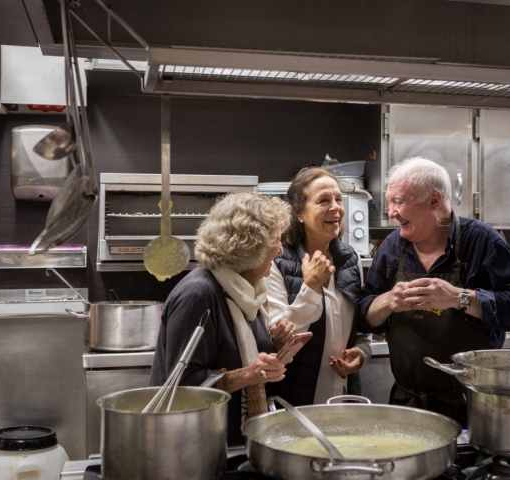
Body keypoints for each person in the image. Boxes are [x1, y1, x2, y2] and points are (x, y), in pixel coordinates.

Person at [358, 157, 510, 426]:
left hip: (473, 405)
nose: (391, 212)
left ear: (434, 201)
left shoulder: (483, 241)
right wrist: (388, 301)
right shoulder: (392, 247)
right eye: (390, 202)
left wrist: (459, 298)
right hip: (408, 405)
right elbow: (364, 313)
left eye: (399, 201)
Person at [150, 192, 296, 446]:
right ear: (249, 247)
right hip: (194, 447)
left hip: (232, 443)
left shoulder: (247, 291)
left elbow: (238, 354)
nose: (280, 248)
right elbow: (183, 386)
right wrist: (249, 374)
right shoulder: (198, 294)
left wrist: (275, 343)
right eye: (274, 240)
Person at [265, 167, 372, 406]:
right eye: (323, 200)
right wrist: (310, 288)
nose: (335, 207)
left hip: (343, 396)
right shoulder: (277, 260)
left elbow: (360, 328)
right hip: (295, 400)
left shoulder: (349, 258)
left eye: (338, 199)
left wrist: (362, 353)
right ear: (299, 212)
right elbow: (277, 342)